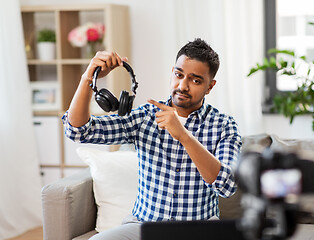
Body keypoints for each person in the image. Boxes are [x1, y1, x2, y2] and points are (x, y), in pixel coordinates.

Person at [62, 38, 242, 240]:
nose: (182, 86)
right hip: (143, 227)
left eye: (195, 80)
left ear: (210, 86)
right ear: (173, 71)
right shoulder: (145, 116)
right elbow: (78, 131)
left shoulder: (224, 125)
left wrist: (184, 136)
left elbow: (227, 186)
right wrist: (89, 77)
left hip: (199, 231)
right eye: (179, 75)